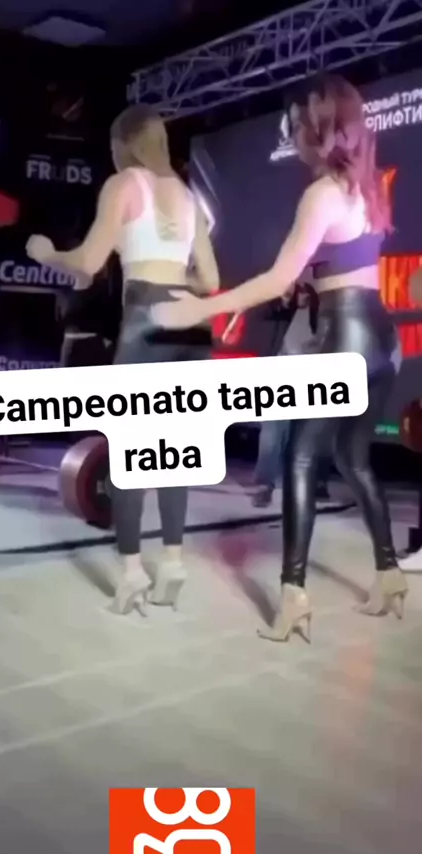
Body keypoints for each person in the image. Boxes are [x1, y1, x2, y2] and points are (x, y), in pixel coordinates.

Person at [151, 74, 407, 641]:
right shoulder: (366, 190)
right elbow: (334, 269)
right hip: (380, 335)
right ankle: (389, 574)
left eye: (295, 124)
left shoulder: (321, 195)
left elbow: (275, 280)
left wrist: (200, 308)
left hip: (345, 334)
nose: (290, 133)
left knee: (301, 458)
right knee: (354, 459)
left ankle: (293, 597)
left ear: (319, 130)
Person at [26, 104, 219, 615]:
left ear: (124, 145)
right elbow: (212, 280)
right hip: (192, 324)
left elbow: (89, 262)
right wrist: (173, 278)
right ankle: (172, 562)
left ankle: (132, 573)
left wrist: (47, 254)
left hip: (146, 319)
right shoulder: (188, 196)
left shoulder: (123, 185)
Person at [252, 281, 331, 507]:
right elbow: (266, 315)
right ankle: (264, 485)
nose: (301, 294)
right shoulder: (285, 308)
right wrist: (286, 298)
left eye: (305, 291)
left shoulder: (325, 310)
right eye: (299, 290)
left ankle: (316, 482)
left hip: (313, 375)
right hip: (282, 370)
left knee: (313, 433)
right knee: (272, 430)